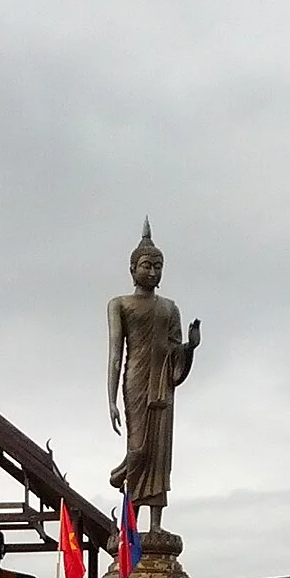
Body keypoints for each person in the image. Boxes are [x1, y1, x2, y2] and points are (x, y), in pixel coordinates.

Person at [106, 220, 201, 533]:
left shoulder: (170, 308)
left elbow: (175, 354)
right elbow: (116, 354)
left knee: (160, 453)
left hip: (162, 384)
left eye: (158, 267)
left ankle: (155, 524)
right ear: (133, 269)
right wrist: (111, 401)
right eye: (147, 266)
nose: (153, 272)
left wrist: (191, 347)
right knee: (139, 448)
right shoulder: (119, 304)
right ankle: (127, 507)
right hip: (135, 380)